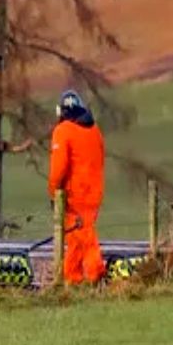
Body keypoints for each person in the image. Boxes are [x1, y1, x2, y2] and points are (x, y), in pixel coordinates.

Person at [49, 89, 106, 285]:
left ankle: (95, 276)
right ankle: (72, 280)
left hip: (75, 195)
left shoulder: (63, 131)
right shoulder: (95, 131)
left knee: (84, 237)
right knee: (75, 239)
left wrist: (54, 193)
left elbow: (59, 167)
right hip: (94, 193)